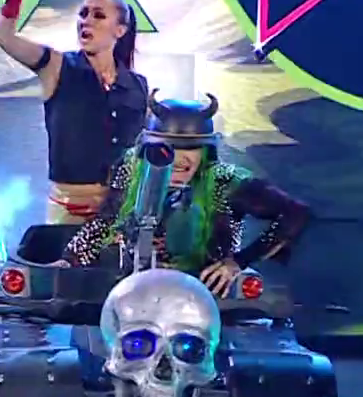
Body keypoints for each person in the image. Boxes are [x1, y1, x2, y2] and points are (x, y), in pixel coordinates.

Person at [61, 94, 309, 295]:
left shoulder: (224, 181)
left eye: (191, 148)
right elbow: (104, 222)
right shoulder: (131, 168)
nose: (179, 160)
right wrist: (68, 261)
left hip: (201, 295)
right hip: (130, 288)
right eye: (169, 148)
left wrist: (238, 262)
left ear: (206, 150)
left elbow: (295, 213)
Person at [0, 0, 148, 224]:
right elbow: (3, 37)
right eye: (83, 13)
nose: (86, 20)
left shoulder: (137, 86)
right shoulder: (58, 67)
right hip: (69, 211)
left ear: (120, 30)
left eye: (99, 15)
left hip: (122, 213)